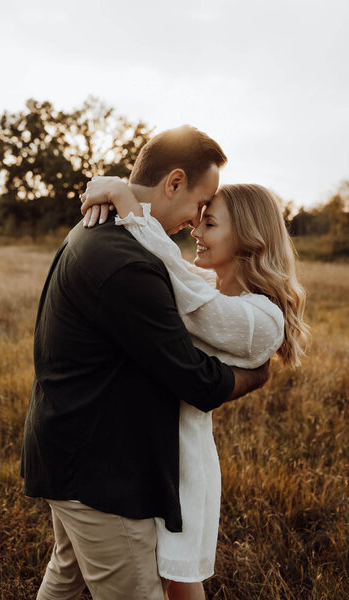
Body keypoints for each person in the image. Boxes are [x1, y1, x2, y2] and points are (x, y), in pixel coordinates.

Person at [20, 125, 271, 600]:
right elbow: (195, 380)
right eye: (202, 202)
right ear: (173, 182)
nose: (197, 220)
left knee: (65, 583)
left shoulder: (98, 228)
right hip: (100, 475)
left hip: (67, 449)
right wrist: (255, 375)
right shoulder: (127, 260)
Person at [80, 178, 309, 600]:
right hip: (149, 452)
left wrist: (127, 202)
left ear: (247, 237)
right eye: (199, 222)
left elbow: (182, 291)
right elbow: (175, 271)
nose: (196, 232)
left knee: (178, 582)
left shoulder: (262, 318)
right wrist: (111, 186)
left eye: (210, 224)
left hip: (181, 462)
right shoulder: (206, 285)